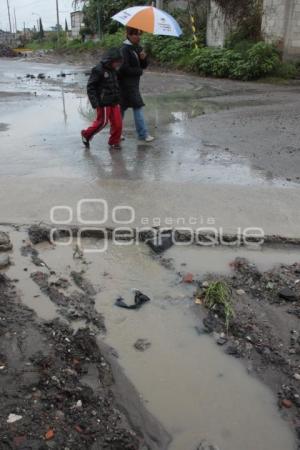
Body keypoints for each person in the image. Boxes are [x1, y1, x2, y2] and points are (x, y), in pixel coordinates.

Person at [81, 48, 123, 150]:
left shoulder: (114, 70)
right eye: (117, 62)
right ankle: (86, 134)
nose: (118, 64)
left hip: (114, 100)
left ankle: (114, 142)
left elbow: (116, 84)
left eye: (119, 62)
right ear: (111, 60)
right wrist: (95, 103)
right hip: (103, 102)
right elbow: (90, 87)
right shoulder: (98, 69)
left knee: (118, 124)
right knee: (102, 122)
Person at [118, 27, 154, 143]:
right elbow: (123, 68)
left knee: (122, 109)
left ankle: (116, 133)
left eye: (140, 34)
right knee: (136, 107)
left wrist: (143, 59)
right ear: (129, 35)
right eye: (136, 34)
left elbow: (143, 65)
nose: (139, 37)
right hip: (125, 84)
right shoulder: (124, 49)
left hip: (133, 84)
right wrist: (138, 71)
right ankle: (143, 134)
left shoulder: (137, 48)